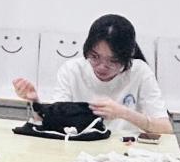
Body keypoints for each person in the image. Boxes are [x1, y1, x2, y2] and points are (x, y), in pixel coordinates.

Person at [14, 13, 171, 138]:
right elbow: (52, 122)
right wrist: (35, 102)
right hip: (81, 148)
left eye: (113, 61)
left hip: (126, 151)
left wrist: (123, 113)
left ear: (127, 57)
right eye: (95, 57)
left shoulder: (140, 72)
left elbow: (166, 129)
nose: (102, 66)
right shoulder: (72, 70)